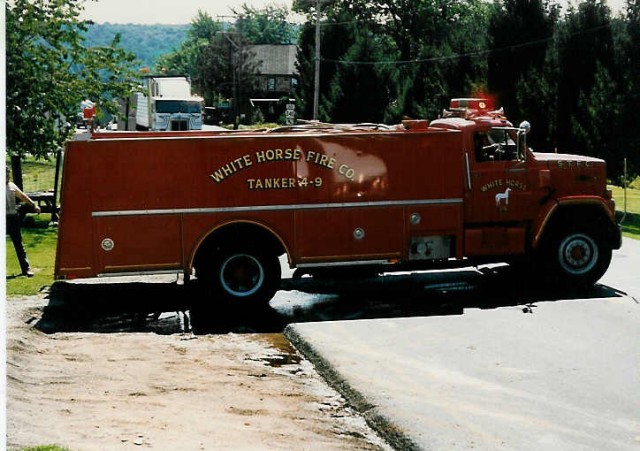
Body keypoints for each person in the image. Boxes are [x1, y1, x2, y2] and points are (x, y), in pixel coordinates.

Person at [6, 166, 40, 277]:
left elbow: (23, 196)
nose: (7, 176)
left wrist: (34, 204)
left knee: (18, 243)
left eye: (8, 173)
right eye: (5, 173)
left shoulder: (11, 186)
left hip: (12, 217)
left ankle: (26, 269)